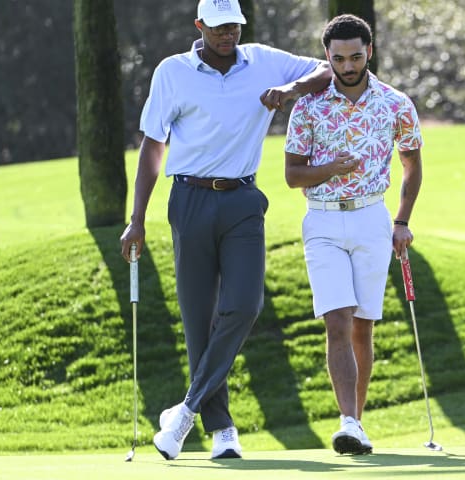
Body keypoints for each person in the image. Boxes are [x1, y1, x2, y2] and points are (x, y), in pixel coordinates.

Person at [119, 0, 331, 461]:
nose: (227, 34)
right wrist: (136, 219)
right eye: (217, 27)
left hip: (242, 201)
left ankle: (184, 412)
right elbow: (153, 148)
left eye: (233, 26)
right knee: (199, 319)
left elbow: (326, 68)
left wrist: (291, 88)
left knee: (244, 305)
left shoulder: (264, 61)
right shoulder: (171, 72)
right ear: (199, 26)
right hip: (189, 200)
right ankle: (222, 430)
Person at [283, 14, 423, 455]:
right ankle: (347, 420)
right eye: (338, 58)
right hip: (322, 221)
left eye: (355, 56)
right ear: (328, 56)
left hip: (371, 220)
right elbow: (292, 175)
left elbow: (412, 165)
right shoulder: (308, 105)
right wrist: (332, 169)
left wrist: (401, 222)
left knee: (363, 326)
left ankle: (355, 424)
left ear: (370, 52)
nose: (347, 65)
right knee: (337, 320)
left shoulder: (396, 103)